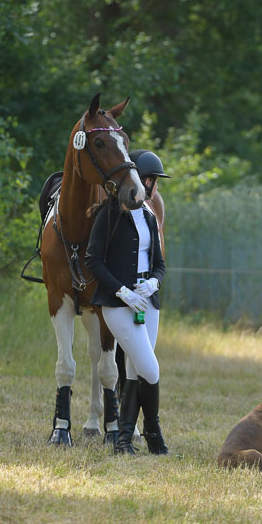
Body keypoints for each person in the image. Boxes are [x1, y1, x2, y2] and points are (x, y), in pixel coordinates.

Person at [85, 151, 170, 455]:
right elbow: (92, 260)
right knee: (151, 369)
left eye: (154, 181)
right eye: (149, 180)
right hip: (118, 304)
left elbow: (159, 263)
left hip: (148, 303)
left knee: (135, 371)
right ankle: (153, 434)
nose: (152, 186)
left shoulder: (149, 215)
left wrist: (153, 282)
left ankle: (123, 441)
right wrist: (122, 290)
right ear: (134, 180)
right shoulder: (108, 215)